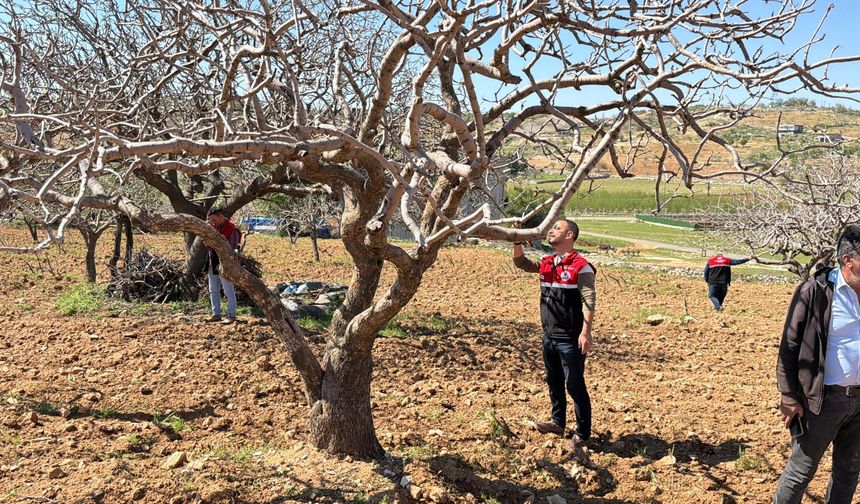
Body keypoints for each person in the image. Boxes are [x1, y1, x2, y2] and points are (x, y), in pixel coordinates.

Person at [774, 223, 860, 503]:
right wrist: (789, 396)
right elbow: (789, 346)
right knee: (800, 472)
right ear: (849, 260)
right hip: (821, 401)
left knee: (848, 473)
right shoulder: (815, 291)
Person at [512, 218, 596, 450]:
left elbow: (589, 301)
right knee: (554, 380)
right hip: (549, 335)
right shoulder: (548, 262)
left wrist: (586, 332)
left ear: (569, 236)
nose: (551, 230)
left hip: (570, 338)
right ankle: (558, 422)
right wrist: (516, 239)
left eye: (557, 228)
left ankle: (582, 434)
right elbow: (521, 262)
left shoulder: (581, 266)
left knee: (575, 385)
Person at [205, 208, 241, 324]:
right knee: (213, 290)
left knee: (228, 290)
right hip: (212, 261)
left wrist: (214, 243)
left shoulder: (232, 229)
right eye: (211, 220)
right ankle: (216, 314)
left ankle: (231, 315)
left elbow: (231, 248)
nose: (213, 222)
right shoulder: (213, 228)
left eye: (214, 220)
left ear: (221, 217)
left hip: (225, 264)